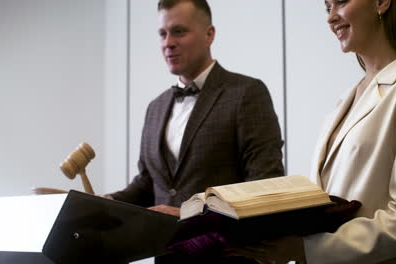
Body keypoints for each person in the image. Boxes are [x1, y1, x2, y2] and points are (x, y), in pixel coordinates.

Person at [228, 0, 396, 263]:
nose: (330, 18)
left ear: (382, 3)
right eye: (327, 8)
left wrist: (307, 249)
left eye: (341, 2)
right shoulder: (348, 97)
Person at [105, 0, 284, 263]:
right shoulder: (155, 108)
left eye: (179, 31)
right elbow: (146, 185)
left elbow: (263, 187)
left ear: (209, 34)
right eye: (162, 33)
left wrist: (188, 214)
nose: (168, 42)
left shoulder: (246, 93)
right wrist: (104, 203)